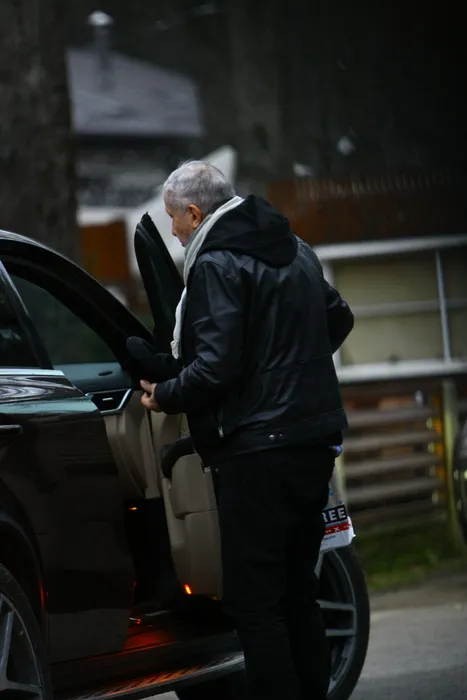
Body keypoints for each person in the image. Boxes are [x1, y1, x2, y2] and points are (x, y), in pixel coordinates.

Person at [140, 161, 354, 700]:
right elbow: (339, 318)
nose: (173, 231)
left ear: (195, 213)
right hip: (314, 440)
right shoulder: (294, 247)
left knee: (256, 602)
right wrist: (289, 370)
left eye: (174, 218)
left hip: (257, 451)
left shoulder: (216, 263)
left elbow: (215, 368)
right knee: (298, 591)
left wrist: (164, 394)